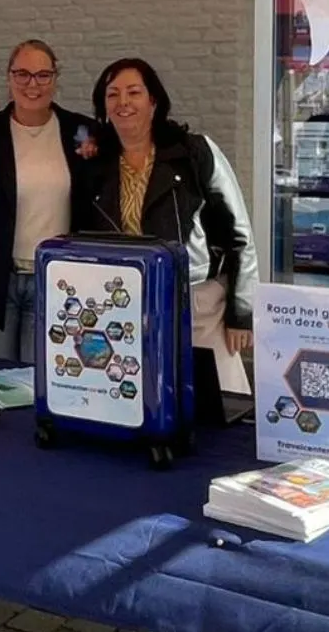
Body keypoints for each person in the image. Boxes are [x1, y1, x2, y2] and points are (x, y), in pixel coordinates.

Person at [82, 58, 255, 398]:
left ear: (154, 101)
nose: (123, 102)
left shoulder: (194, 153)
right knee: (142, 398)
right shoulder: (95, 165)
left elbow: (239, 235)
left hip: (198, 304)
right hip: (127, 305)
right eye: (112, 94)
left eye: (134, 92)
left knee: (218, 404)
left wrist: (242, 314)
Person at [0, 40, 98, 360]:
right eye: (22, 74)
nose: (32, 84)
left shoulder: (81, 132)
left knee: (39, 383)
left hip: (57, 284)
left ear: (55, 78)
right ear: (8, 77)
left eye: (42, 75)